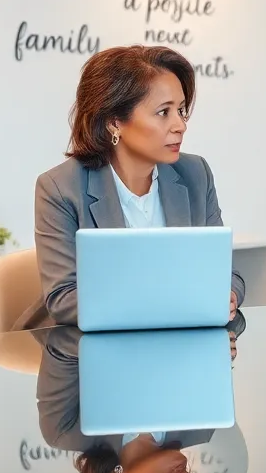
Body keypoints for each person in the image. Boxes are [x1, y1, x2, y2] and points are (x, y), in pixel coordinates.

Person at [14, 45, 245, 330]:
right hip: (82, 357)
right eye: (163, 112)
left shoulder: (195, 173)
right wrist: (174, 302)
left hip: (177, 351)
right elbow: (64, 299)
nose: (180, 125)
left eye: (181, 110)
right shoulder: (60, 188)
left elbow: (226, 274)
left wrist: (228, 295)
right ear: (114, 123)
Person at [33, 323, 240, 473]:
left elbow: (59, 345)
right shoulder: (202, 426)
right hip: (173, 305)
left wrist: (157, 350)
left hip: (83, 304)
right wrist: (222, 345)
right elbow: (234, 322)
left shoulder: (66, 430)